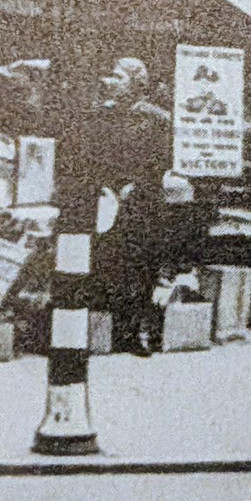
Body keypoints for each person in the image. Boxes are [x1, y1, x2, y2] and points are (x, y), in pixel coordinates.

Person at [90, 56, 174, 356]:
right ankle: (114, 329)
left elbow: (161, 160)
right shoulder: (105, 115)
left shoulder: (155, 118)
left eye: (119, 77)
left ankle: (137, 331)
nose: (112, 82)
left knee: (141, 267)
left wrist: (134, 185)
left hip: (143, 200)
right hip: (110, 199)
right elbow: (98, 156)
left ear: (137, 83)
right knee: (112, 264)